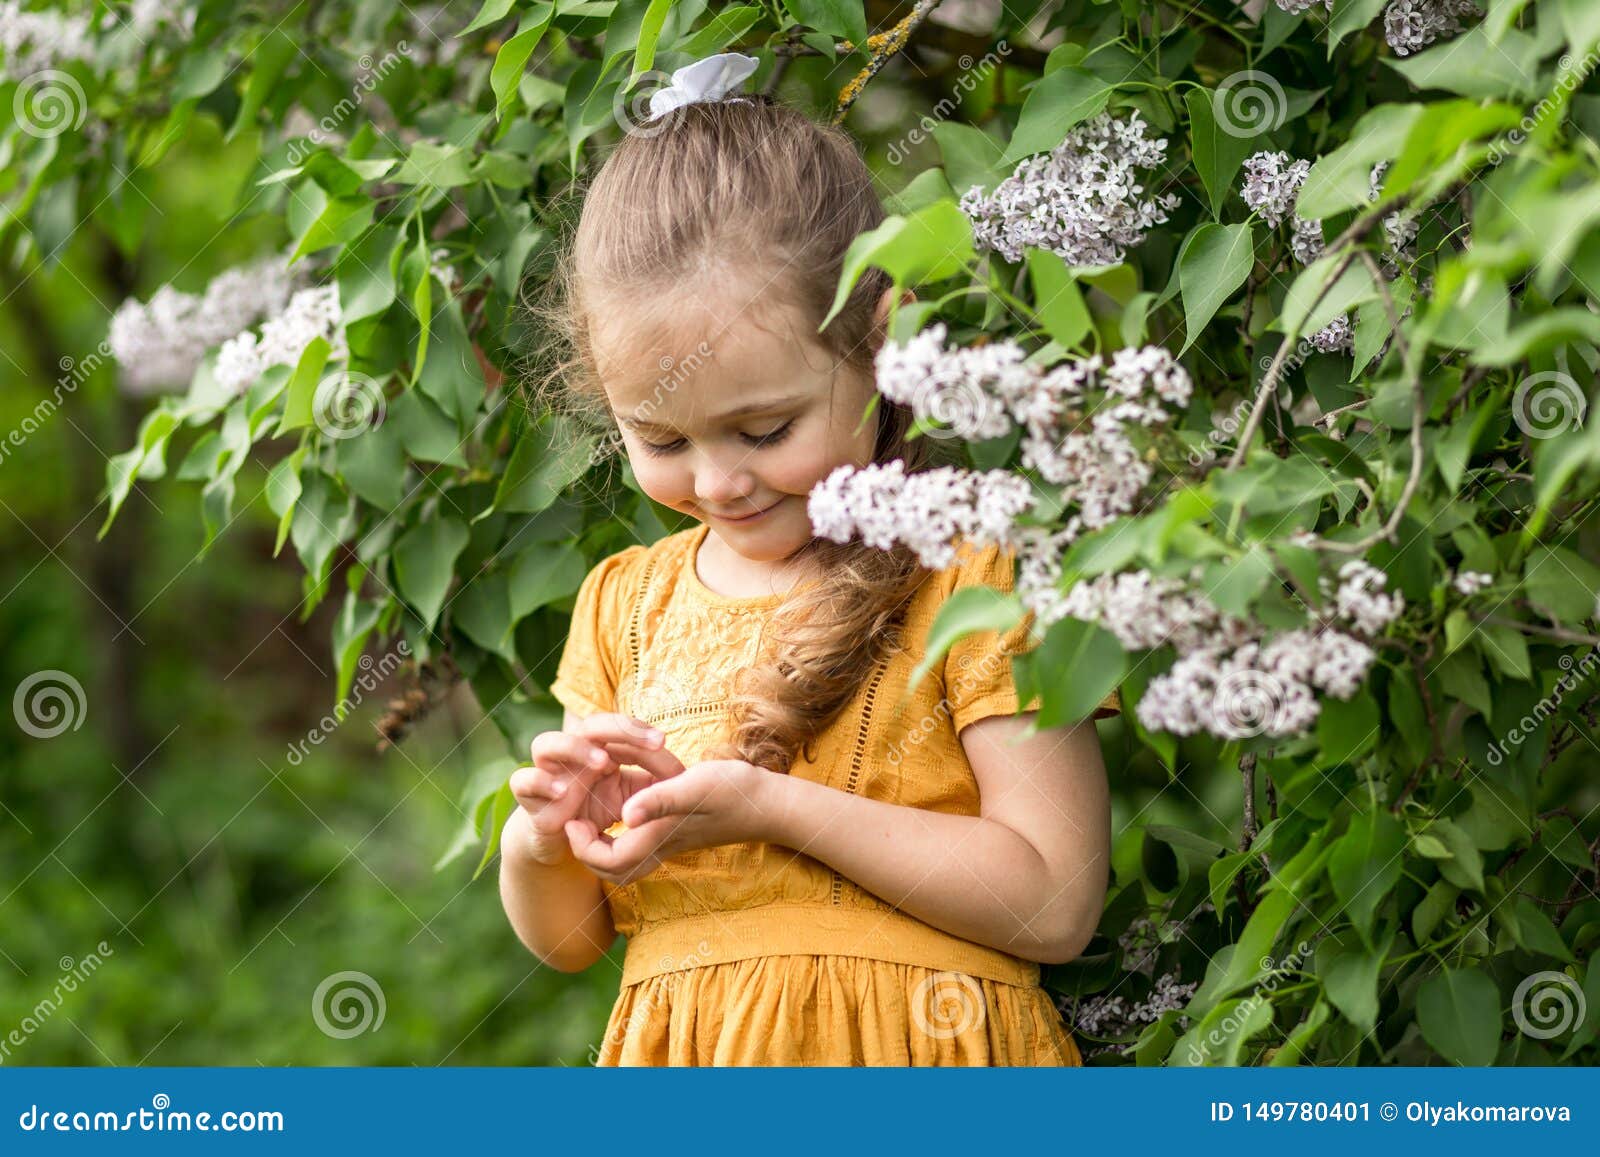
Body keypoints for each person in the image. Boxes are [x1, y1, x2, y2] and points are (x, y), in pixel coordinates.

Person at [497, 52, 1118, 1066]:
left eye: (764, 426)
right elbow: (571, 935)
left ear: (877, 340)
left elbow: (1051, 901)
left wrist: (773, 806)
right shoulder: (626, 605)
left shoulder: (972, 571)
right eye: (662, 442)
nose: (719, 483)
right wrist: (546, 837)